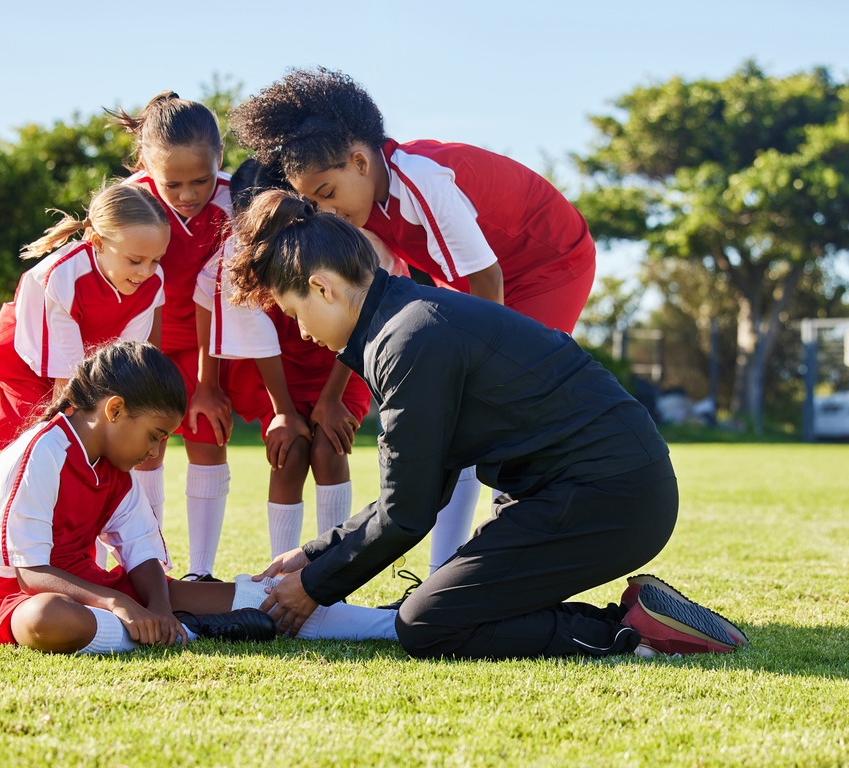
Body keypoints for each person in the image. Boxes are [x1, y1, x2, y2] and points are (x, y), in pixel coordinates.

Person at [226, 190, 748, 660]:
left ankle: (632, 633)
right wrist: (313, 554)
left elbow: (406, 512)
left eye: (293, 313)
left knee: (426, 624)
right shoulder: (405, 319)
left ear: (322, 288)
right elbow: (418, 491)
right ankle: (642, 616)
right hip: (579, 488)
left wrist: (313, 586)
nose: (302, 331)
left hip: (610, 494)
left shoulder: (407, 338)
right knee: (443, 603)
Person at [231, 68, 598, 573]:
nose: (325, 211)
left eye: (327, 192)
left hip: (547, 263)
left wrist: (481, 371)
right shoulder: (365, 210)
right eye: (312, 202)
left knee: (498, 404)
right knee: (454, 416)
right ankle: (443, 569)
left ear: (361, 162)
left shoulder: (421, 178)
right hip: (481, 278)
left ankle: (508, 551)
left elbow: (486, 278)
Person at [0, 340, 399, 654]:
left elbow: (141, 552)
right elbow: (30, 574)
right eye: (154, 436)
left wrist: (158, 607)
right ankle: (194, 631)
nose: (155, 451)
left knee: (266, 595)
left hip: (97, 593)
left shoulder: (116, 467)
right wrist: (121, 604)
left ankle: (395, 623)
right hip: (21, 599)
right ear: (114, 410)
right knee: (47, 619)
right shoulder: (41, 453)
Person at [109, 92, 271, 580]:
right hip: (143, 338)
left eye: (199, 179)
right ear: (146, 164)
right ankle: (147, 564)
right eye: (173, 183)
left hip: (212, 341)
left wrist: (207, 384)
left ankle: (201, 572)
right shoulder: (129, 200)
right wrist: (140, 370)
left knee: (206, 434)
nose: (187, 194)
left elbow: (220, 296)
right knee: (143, 446)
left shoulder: (234, 201)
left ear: (219, 157)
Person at [193, 158, 374, 558]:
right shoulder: (237, 257)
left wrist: (331, 400)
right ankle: (281, 570)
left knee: (329, 446)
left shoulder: (336, 238)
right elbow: (251, 332)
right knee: (289, 452)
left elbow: (360, 317)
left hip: (338, 364)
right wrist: (284, 413)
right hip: (272, 371)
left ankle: (331, 567)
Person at [0, 182, 168, 453]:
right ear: (98, 243)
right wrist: (68, 448)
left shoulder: (152, 283)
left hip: (85, 356)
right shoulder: (64, 276)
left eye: (156, 260)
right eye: (135, 260)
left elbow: (122, 361)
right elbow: (66, 378)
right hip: (30, 358)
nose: (146, 271)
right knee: (38, 438)